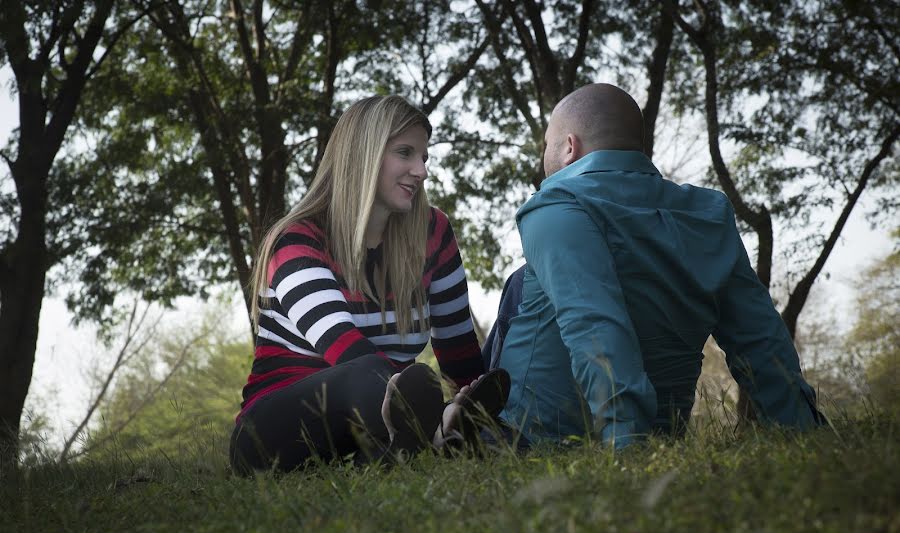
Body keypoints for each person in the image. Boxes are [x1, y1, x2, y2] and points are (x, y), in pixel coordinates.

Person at [489, 83, 824, 448]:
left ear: (569, 147)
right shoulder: (707, 213)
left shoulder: (557, 205)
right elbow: (759, 336)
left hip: (538, 440)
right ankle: (462, 412)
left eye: (547, 146)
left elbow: (594, 323)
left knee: (520, 286)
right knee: (522, 280)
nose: (544, 156)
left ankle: (464, 418)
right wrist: (802, 426)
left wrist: (626, 445)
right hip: (664, 435)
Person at [230, 95, 502, 474]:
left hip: (373, 426)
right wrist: (436, 407)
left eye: (424, 157)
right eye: (405, 153)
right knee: (365, 371)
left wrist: (475, 400)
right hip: (273, 435)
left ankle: (441, 438)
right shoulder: (297, 241)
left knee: (397, 386)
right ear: (364, 154)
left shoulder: (433, 233)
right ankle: (439, 433)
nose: (420, 171)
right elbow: (343, 348)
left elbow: (459, 350)